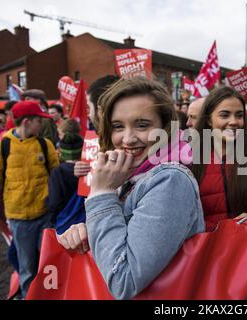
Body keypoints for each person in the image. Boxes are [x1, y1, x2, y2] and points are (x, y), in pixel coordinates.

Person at [84, 77, 205, 299]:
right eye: (118, 126)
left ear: (165, 127)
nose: (128, 139)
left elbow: (124, 280)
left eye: (142, 125)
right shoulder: (132, 174)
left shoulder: (170, 179)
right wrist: (87, 231)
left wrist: (100, 197)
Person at [0, 100, 59, 298]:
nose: (42, 124)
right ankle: (27, 296)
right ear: (27, 121)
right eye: (40, 120)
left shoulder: (44, 144)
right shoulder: (0, 147)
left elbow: (56, 174)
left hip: (45, 215)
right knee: (27, 267)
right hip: (19, 219)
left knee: (49, 263)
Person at [191, 86, 247, 231]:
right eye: (224, 115)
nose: (234, 122)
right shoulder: (189, 160)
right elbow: (184, 217)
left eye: (239, 115)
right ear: (208, 120)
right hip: (207, 249)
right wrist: (223, 229)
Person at [47, 133, 87, 251]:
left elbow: (54, 202)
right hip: (85, 224)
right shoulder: (90, 169)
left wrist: (50, 221)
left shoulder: (58, 172)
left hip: (64, 223)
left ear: (62, 152)